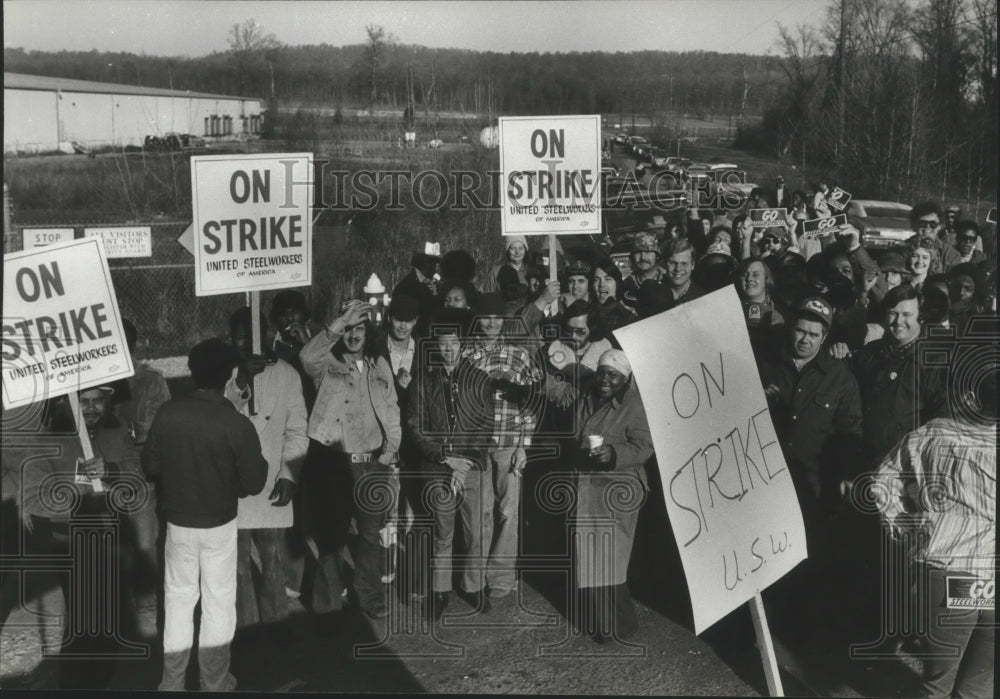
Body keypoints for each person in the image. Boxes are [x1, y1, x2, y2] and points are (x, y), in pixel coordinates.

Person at [142, 339, 268, 692]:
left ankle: (172, 682)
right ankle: (214, 682)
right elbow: (254, 482)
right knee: (218, 603)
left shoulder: (168, 413)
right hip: (220, 526)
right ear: (230, 375)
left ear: (191, 371)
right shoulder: (235, 421)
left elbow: (150, 466)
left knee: (179, 603)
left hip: (178, 524)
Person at [874, 374, 995, 699]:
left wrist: (908, 529)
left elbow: (882, 483)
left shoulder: (936, 432)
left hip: (950, 572)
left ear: (972, 398)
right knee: (979, 687)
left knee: (936, 684)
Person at [298, 299, 401, 622]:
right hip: (334, 462)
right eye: (349, 328)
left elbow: (393, 408)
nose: (353, 335)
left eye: (360, 328)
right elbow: (306, 356)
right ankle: (327, 604)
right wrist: (340, 321)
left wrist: (390, 449)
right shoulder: (326, 363)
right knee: (332, 535)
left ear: (369, 332)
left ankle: (369, 597)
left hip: (372, 462)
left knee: (370, 535)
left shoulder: (378, 364)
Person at [405, 308, 495, 621]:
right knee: (443, 533)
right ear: (435, 346)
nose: (449, 348)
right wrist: (444, 457)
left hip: (471, 468)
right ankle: (439, 590)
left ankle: (473, 586)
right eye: (443, 343)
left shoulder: (479, 379)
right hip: (438, 467)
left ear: (462, 344)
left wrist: (464, 463)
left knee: (477, 533)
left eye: (454, 342)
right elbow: (415, 427)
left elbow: (485, 426)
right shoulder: (423, 381)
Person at [228, 309, 308, 640]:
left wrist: (289, 474)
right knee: (237, 564)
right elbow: (218, 417)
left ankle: (276, 626)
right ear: (232, 338)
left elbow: (297, 428)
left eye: (255, 332)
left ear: (269, 332)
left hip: (274, 482)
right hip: (232, 487)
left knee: (273, 558)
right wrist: (242, 381)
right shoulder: (224, 374)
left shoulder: (288, 374)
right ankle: (245, 630)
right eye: (241, 335)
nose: (249, 341)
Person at [757, 297, 863, 534]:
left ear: (824, 337)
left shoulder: (840, 377)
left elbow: (850, 430)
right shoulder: (766, 366)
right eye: (800, 331)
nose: (805, 339)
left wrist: (847, 473)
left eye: (813, 335)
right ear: (791, 328)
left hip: (813, 487)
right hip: (767, 483)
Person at [465, 292, 543, 600]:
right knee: (479, 514)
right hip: (477, 446)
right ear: (478, 320)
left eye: (497, 318)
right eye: (486, 318)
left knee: (508, 513)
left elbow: (530, 405)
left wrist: (524, 446)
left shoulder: (519, 355)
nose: (492, 324)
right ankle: (476, 577)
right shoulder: (465, 356)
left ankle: (500, 576)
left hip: (510, 444)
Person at [572, 349, 653, 643]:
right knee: (593, 554)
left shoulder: (634, 404)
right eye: (602, 373)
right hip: (590, 485)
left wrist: (614, 453)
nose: (605, 379)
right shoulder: (588, 396)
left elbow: (644, 446)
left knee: (610, 556)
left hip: (620, 487)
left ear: (625, 378)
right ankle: (606, 623)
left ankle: (618, 623)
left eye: (613, 375)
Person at [851, 285, 951, 470]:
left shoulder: (934, 361)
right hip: (863, 460)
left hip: (904, 468)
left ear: (919, 316)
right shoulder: (869, 353)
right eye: (893, 313)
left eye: (906, 315)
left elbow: (941, 420)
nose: (898, 321)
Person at [543, 300, 613, 411]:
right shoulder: (551, 354)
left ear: (592, 329)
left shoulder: (607, 360)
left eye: (580, 332)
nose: (573, 336)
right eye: (569, 330)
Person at [393, 242, 443, 332]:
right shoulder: (406, 287)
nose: (435, 267)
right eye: (431, 262)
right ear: (420, 262)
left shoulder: (434, 283)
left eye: (436, 263)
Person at [908, 202, 962, 272]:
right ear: (914, 225)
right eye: (922, 223)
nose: (927, 226)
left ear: (940, 226)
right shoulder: (901, 249)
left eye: (932, 224)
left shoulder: (951, 255)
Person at [590, 257, 637, 332]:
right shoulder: (587, 314)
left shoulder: (628, 316)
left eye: (607, 279)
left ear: (617, 284)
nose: (601, 284)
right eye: (596, 280)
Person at [621, 232, 667, 304]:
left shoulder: (668, 279)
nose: (643, 257)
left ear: (657, 255)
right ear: (632, 256)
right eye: (638, 252)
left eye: (648, 251)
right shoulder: (627, 284)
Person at [664, 238, 705, 304]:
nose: (678, 269)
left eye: (684, 263)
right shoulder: (653, 291)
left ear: (693, 265)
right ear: (665, 264)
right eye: (673, 263)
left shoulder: (703, 298)